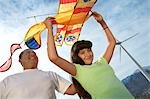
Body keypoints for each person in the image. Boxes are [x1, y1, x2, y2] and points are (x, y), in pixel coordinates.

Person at [45, 11, 134, 99]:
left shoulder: (102, 63)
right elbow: (54, 57)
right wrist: (50, 29)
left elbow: (112, 42)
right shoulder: (77, 70)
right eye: (82, 53)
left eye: (89, 50)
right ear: (76, 56)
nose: (88, 54)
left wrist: (102, 22)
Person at [0, 49, 76, 99]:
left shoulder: (50, 75)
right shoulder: (8, 81)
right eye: (28, 52)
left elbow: (72, 90)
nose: (32, 53)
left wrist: (82, 69)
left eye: (34, 53)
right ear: (20, 60)